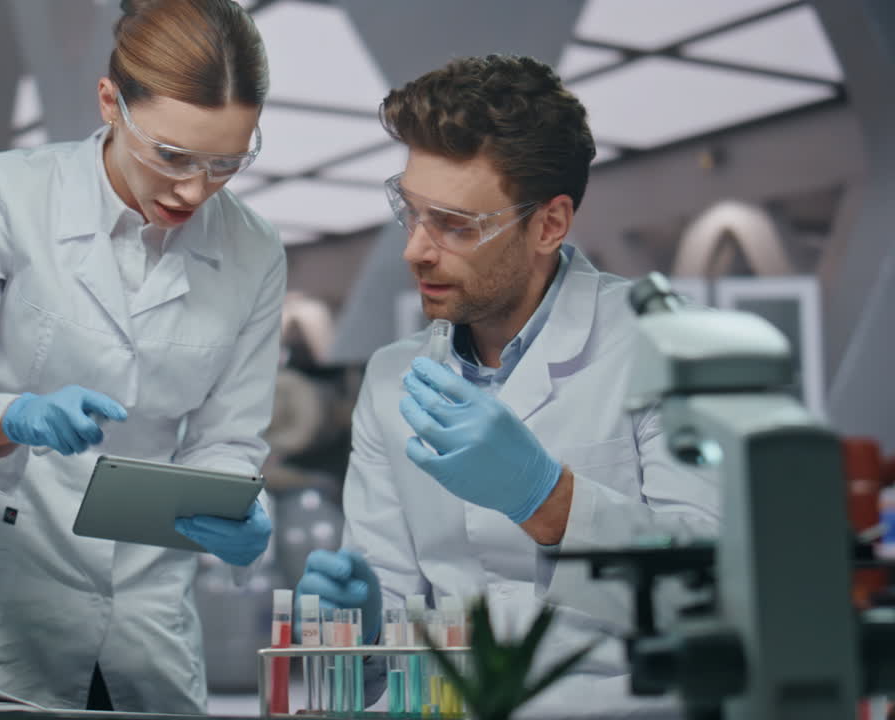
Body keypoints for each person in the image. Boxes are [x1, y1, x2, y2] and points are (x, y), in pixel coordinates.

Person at [0, 0, 284, 713]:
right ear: (110, 102)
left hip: (139, 613)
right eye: (173, 156)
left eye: (226, 163)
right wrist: (11, 418)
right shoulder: (6, 195)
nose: (195, 189)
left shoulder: (254, 250)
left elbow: (229, 439)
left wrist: (239, 506)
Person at [295, 55, 719, 715]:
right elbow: (373, 676)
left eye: (455, 225)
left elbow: (710, 595)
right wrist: (360, 625)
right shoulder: (391, 379)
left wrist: (547, 498)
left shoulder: (662, 343)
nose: (415, 250)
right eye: (410, 212)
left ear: (548, 224)